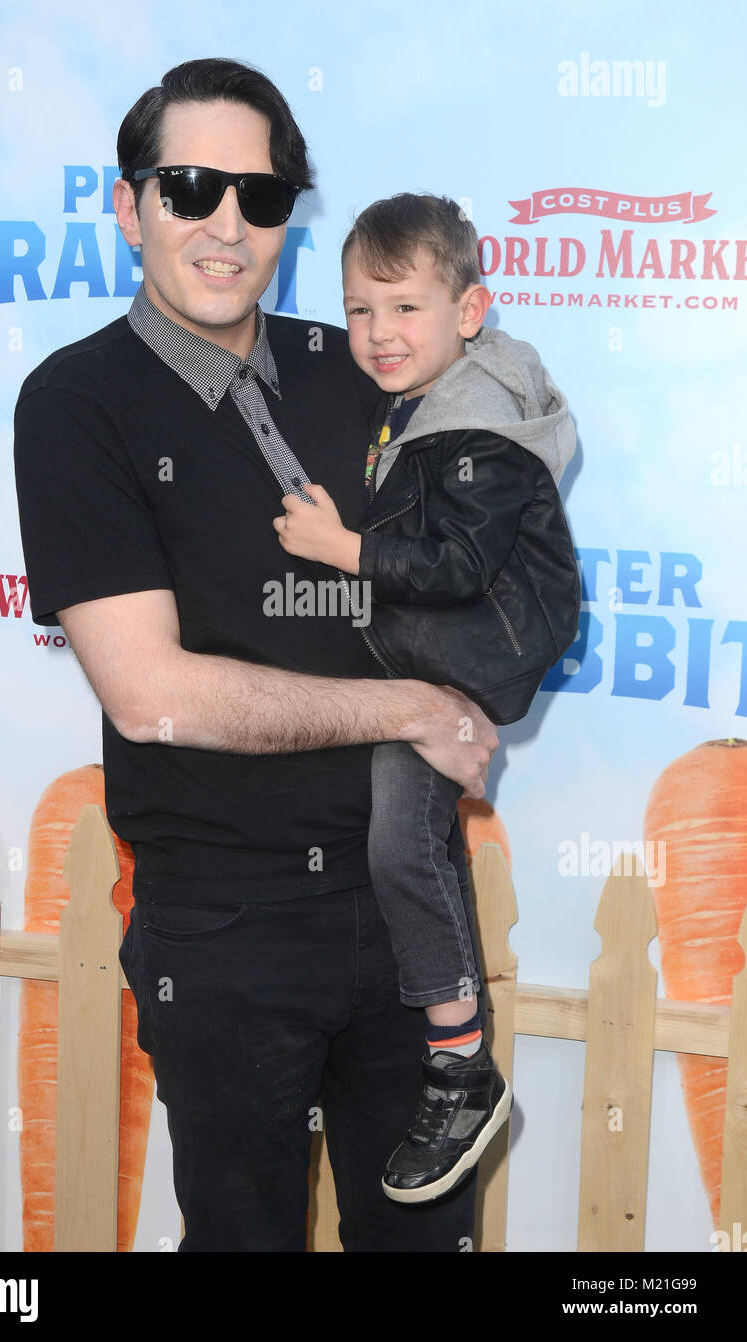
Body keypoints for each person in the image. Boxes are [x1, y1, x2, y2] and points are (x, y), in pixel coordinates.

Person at [12, 59, 499, 1252]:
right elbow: (152, 695)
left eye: (262, 194)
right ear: (129, 208)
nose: (228, 223)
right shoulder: (76, 404)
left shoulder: (366, 368)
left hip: (407, 908)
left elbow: (477, 543)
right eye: (190, 187)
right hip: (224, 930)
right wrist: (407, 710)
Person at [273, 192, 578, 1204]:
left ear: (469, 309)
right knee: (395, 828)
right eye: (360, 310)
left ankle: (458, 1066)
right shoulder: (424, 404)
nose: (378, 334)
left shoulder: (476, 429)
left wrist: (340, 549)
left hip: (466, 648)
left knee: (397, 836)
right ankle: (443, 1051)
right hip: (428, 652)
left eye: (404, 308)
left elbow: (450, 565)